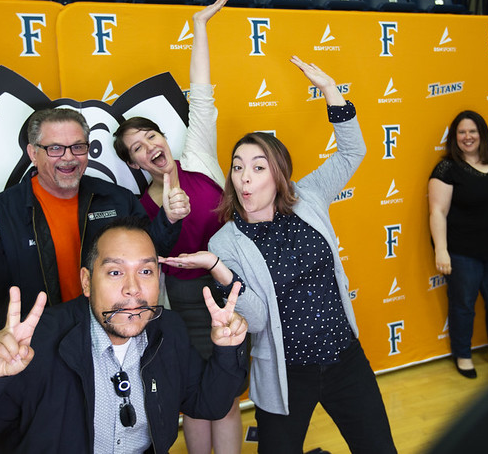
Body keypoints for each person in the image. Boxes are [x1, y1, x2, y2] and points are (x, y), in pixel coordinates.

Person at [161, 58, 397, 454]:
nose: (245, 176)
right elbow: (256, 320)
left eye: (257, 166)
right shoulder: (225, 243)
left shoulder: (310, 198)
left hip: (345, 359)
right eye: (237, 168)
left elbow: (353, 152)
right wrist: (217, 270)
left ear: (278, 174)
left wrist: (331, 89)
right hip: (286, 375)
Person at [0, 217, 249, 454]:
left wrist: (227, 349)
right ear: (87, 281)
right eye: (116, 272)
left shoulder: (168, 331)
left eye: (146, 271)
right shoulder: (36, 345)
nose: (133, 289)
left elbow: (208, 403)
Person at [112, 0, 244, 454]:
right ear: (133, 164)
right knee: (193, 397)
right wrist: (167, 215)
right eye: (136, 148)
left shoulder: (199, 157)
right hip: (178, 301)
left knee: (225, 393)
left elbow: (201, 91)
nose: (148, 146)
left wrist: (199, 25)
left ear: (165, 138)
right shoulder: (138, 208)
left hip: (229, 284)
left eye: (151, 136)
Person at [0, 107, 189, 330]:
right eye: (55, 148)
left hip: (107, 336)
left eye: (78, 147)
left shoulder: (116, 199)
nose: (68, 158)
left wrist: (168, 219)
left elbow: (151, 254)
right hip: (37, 347)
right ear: (33, 153)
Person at [428, 110, 488, 379]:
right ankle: (463, 355)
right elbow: (437, 212)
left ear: (483, 134)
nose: (468, 137)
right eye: (462, 132)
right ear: (454, 137)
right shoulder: (447, 168)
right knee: (463, 305)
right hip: (462, 254)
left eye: (473, 131)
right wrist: (441, 250)